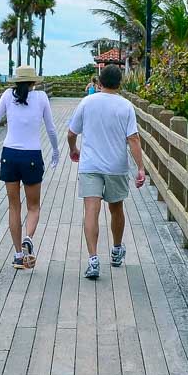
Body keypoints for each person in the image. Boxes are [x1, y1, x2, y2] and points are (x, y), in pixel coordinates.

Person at [67, 63, 146, 279]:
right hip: (116, 166)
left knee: (91, 211)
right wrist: (140, 167)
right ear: (120, 84)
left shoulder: (87, 102)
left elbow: (71, 132)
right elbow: (133, 139)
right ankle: (117, 250)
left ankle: (93, 260)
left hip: (90, 165)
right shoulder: (126, 106)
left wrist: (74, 149)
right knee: (116, 209)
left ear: (99, 82)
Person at [0, 65, 59, 270]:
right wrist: (56, 152)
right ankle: (28, 238)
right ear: (34, 82)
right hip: (32, 156)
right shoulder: (41, 98)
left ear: (16, 81)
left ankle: (17, 255)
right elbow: (51, 128)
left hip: (9, 155)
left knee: (14, 206)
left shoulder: (7, 95)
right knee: (34, 207)